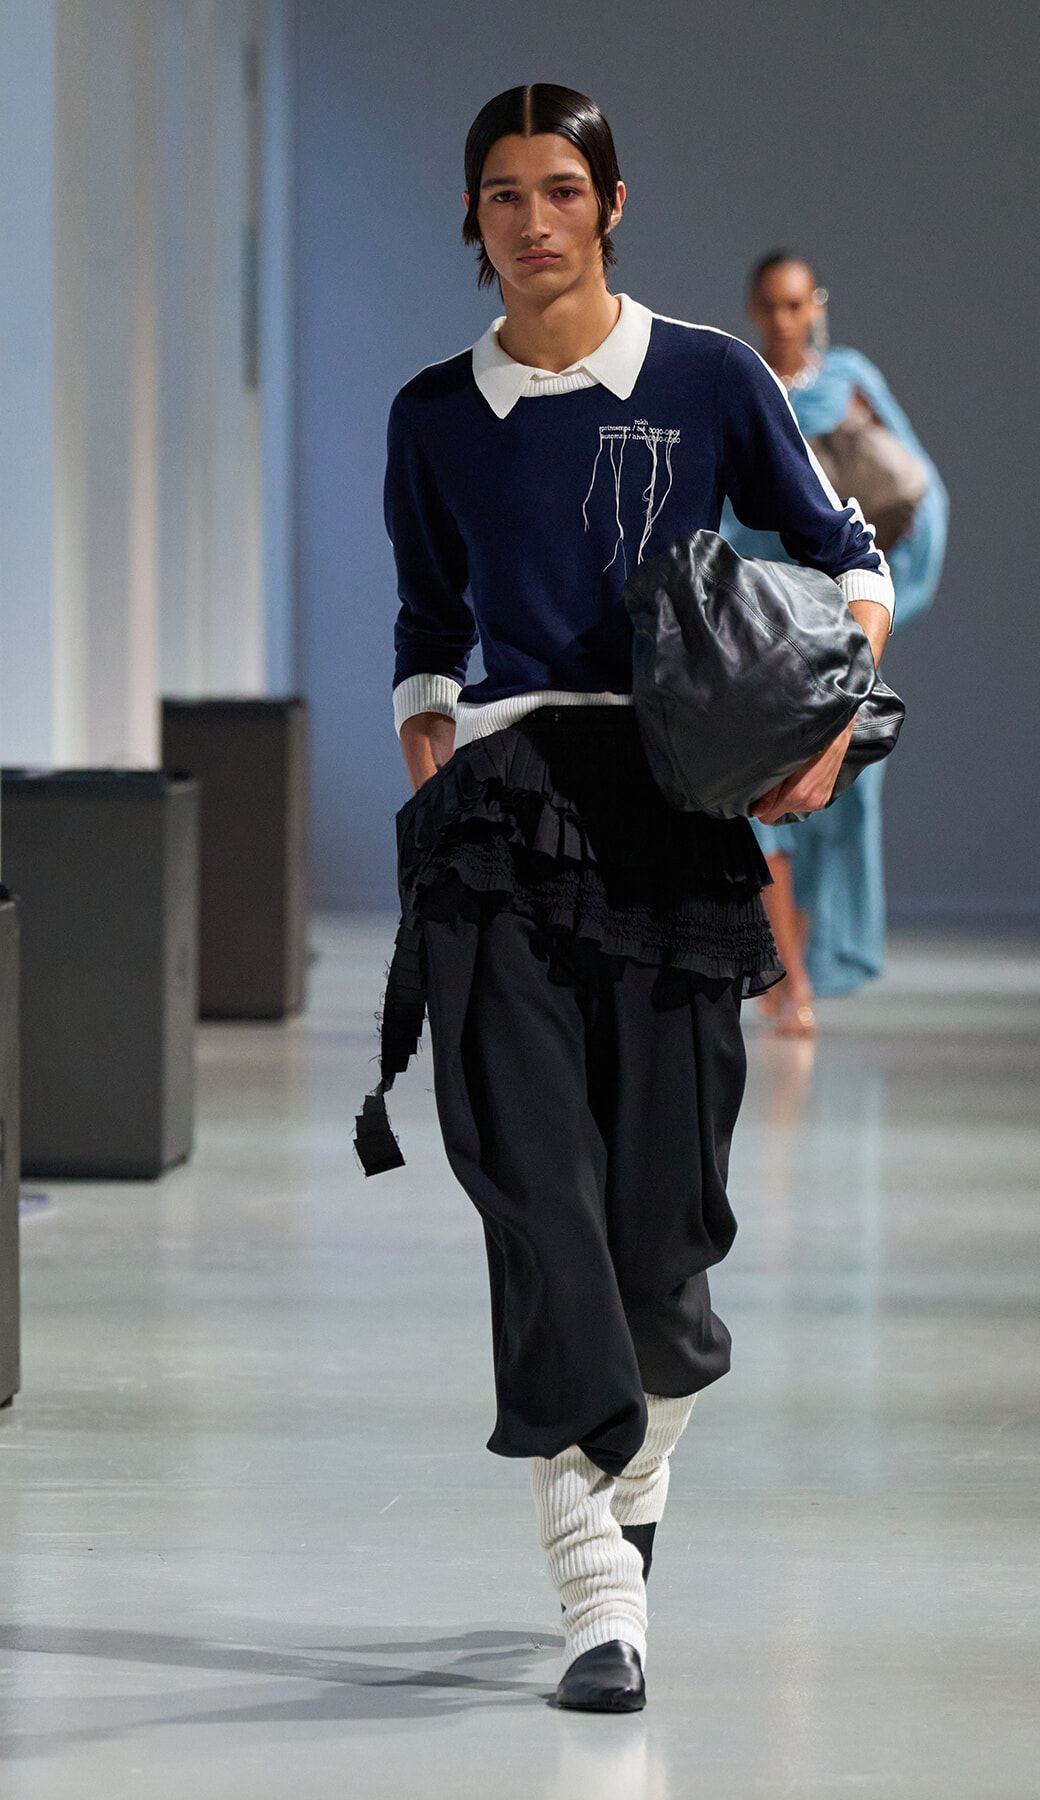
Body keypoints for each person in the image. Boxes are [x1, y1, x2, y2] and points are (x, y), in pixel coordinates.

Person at [385, 88, 894, 1712]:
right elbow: (427, 611)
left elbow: (849, 559)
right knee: (534, 1190)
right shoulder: (432, 414)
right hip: (502, 811)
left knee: (662, 1235)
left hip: (673, 816)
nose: (528, 220)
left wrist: (824, 739)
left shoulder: (708, 379)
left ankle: (637, 1472)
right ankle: (597, 1586)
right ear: (469, 218)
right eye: (499, 194)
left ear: (612, 201)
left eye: (557, 189)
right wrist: (423, 723)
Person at [723, 253, 948, 1033]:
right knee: (763, 803)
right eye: (770, 306)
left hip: (843, 620)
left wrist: (892, 596)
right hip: (768, 620)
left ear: (815, 306)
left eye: (796, 304)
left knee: (838, 806)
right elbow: (722, 501)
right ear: (755, 310)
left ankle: (803, 971)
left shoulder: (850, 377)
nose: (784, 319)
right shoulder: (747, 386)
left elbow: (918, 488)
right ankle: (791, 983)